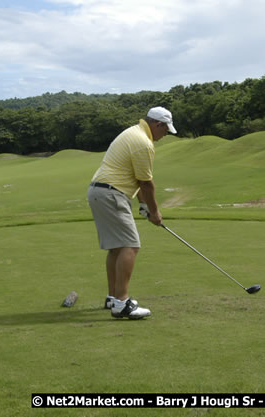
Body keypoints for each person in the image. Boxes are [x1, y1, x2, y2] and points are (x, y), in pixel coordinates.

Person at [87, 107, 177, 319]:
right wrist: (155, 212)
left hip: (98, 192)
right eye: (165, 130)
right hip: (112, 194)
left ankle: (113, 298)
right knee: (130, 245)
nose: (165, 135)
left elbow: (137, 180)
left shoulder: (132, 132)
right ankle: (122, 304)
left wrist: (144, 206)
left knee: (116, 248)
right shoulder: (143, 143)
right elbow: (146, 183)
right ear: (158, 125)